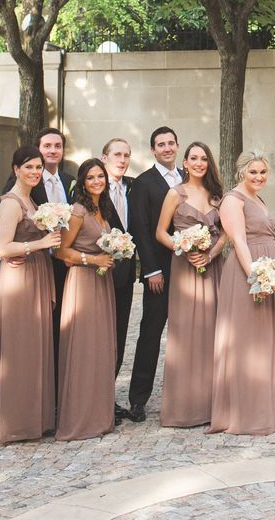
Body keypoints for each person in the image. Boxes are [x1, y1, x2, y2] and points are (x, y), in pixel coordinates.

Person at [0, 146, 61, 443]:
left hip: (37, 276)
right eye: (29, 167)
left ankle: (34, 418)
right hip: (19, 279)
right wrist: (40, 244)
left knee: (35, 348)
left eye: (38, 167)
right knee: (18, 348)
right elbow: (3, 248)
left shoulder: (33, 200)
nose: (35, 172)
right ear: (16, 169)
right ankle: (14, 423)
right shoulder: (11, 203)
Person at [0, 127, 75, 378]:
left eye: (57, 146)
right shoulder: (17, 192)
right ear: (17, 169)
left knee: (49, 335)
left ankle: (51, 395)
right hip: (23, 268)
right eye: (47, 146)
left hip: (54, 269)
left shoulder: (69, 181)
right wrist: (12, 254)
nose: (52, 151)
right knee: (22, 339)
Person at [209, 152, 275, 435]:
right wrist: (256, 275)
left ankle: (262, 406)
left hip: (266, 268)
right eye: (253, 172)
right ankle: (244, 413)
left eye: (263, 172)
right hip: (248, 273)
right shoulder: (233, 199)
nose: (259, 177)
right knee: (247, 340)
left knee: (263, 340)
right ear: (242, 172)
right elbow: (238, 241)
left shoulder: (257, 198)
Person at [157, 141, 226, 428]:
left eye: (204, 159)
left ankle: (213, 404)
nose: (199, 163)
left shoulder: (217, 196)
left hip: (213, 267)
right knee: (186, 334)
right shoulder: (175, 194)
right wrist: (183, 247)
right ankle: (185, 407)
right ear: (185, 162)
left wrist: (209, 254)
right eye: (194, 158)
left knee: (213, 331)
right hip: (185, 269)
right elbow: (160, 231)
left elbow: (224, 234)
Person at [55, 158, 116, 441]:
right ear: (82, 182)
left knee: (100, 348)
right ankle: (79, 418)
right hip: (81, 283)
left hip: (102, 283)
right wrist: (93, 259)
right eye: (91, 178)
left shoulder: (102, 209)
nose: (97, 181)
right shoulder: (78, 211)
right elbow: (61, 251)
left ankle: (98, 414)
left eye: (100, 176)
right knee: (82, 348)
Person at [127, 125, 183, 423]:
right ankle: (138, 399)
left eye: (171, 143)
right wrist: (151, 270)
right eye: (160, 144)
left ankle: (188, 394)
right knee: (150, 333)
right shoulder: (144, 183)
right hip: (159, 271)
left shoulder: (190, 177)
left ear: (177, 145)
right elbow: (141, 230)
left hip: (190, 269)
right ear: (153, 150)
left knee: (189, 332)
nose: (166, 148)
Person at [101, 137, 135, 424]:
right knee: (98, 336)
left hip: (125, 275)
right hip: (98, 274)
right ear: (104, 158)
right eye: (116, 155)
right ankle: (94, 397)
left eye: (126, 155)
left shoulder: (132, 188)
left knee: (119, 336)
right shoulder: (91, 188)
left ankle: (108, 397)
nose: (122, 160)